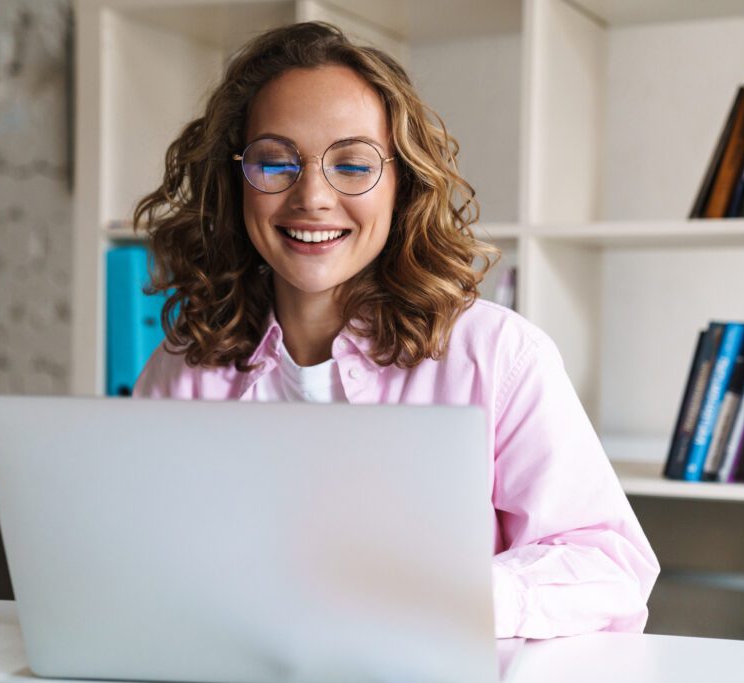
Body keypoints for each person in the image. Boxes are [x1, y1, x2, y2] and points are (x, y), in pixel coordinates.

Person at [131, 21, 659, 639]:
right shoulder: (184, 366)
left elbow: (609, 565)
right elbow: (140, 559)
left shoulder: (497, 356)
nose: (313, 197)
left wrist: (454, 596)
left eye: (352, 165)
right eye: (275, 162)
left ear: (402, 184)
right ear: (235, 181)